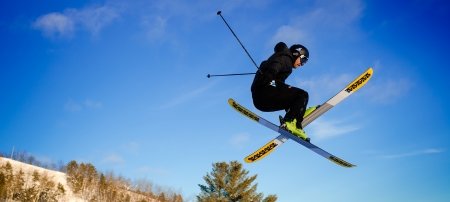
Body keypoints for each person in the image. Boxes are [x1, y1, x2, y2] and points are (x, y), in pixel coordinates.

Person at [251, 42, 315, 142]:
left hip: (261, 98)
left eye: (304, 62)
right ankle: (290, 121)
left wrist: (274, 81)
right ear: (296, 54)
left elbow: (278, 87)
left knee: (293, 95)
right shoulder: (284, 58)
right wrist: (270, 75)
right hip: (264, 93)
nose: (302, 64)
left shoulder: (284, 60)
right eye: (303, 60)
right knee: (302, 95)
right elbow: (275, 66)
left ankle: (297, 113)